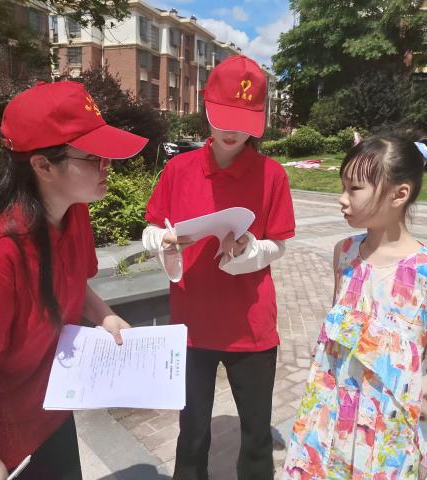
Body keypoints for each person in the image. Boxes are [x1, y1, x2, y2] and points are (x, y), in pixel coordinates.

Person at [0, 81, 148, 480]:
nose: (107, 167)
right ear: (43, 166)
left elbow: (73, 280)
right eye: (94, 157)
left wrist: (106, 316)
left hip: (47, 402)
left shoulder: (73, 211)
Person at [281, 135, 427, 479]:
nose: (342, 199)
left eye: (354, 189)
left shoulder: (426, 273)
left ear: (399, 194)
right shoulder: (345, 253)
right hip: (327, 416)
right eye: (343, 187)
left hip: (384, 431)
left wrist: (421, 387)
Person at [142, 55, 296, 480]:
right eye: (224, 118)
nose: (232, 132)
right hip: (192, 322)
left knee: (256, 433)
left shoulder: (272, 175)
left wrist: (252, 252)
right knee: (191, 433)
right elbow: (154, 224)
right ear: (206, 106)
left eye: (243, 122)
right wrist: (157, 239)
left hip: (250, 324)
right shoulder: (179, 169)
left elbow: (278, 244)